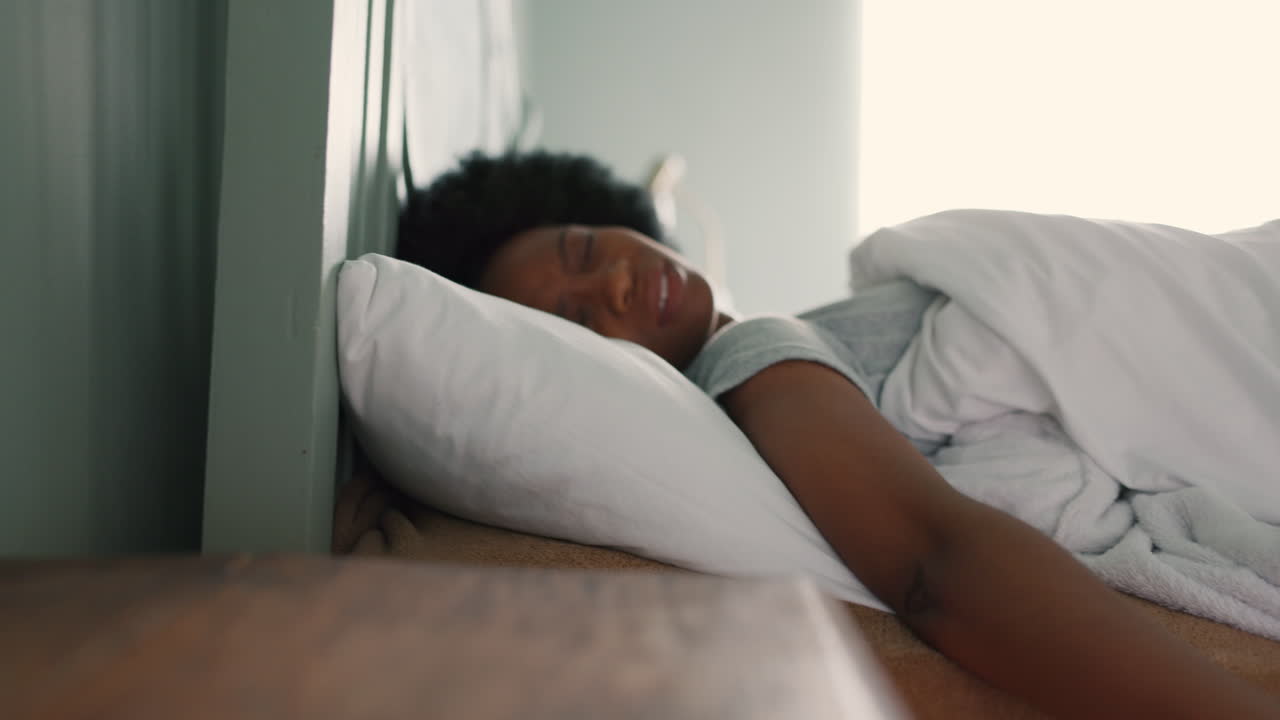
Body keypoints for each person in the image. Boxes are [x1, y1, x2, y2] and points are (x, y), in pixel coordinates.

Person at [397, 150, 1279, 719]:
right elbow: (934, 563)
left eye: (588, 248)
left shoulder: (782, 333)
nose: (619, 286)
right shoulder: (746, 362)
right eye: (578, 321)